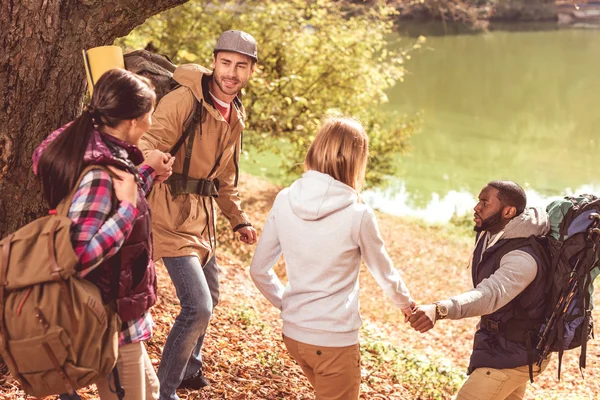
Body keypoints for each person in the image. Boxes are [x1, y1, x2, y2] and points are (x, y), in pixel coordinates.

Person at [32, 68, 174, 400]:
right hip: (111, 325)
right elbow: (77, 255)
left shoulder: (106, 154)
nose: (152, 122)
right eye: (149, 114)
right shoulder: (100, 173)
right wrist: (126, 211)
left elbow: (115, 198)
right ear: (133, 122)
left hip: (125, 317)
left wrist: (147, 174)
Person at [249, 117, 415, 400]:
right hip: (333, 341)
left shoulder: (284, 198)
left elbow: (258, 270)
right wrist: (407, 306)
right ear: (356, 161)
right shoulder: (358, 214)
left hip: (294, 336)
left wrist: (288, 304)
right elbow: (384, 273)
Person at [137, 30, 258, 399]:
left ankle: (190, 367)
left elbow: (223, 178)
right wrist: (153, 161)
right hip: (169, 214)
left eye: (241, 66)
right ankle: (164, 391)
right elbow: (143, 141)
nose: (231, 73)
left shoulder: (234, 113)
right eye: (225, 63)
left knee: (213, 296)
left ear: (251, 71)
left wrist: (239, 219)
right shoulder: (182, 101)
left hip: (203, 222)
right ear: (214, 62)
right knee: (198, 306)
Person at [408, 180, 551, 400]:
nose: (477, 207)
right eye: (478, 201)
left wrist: (440, 309)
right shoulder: (493, 234)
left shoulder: (523, 257)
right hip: (502, 346)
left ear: (508, 211)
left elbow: (490, 294)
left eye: (485, 203)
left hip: (515, 354)